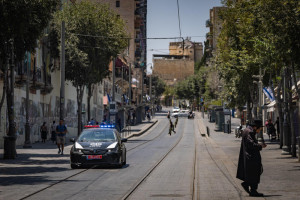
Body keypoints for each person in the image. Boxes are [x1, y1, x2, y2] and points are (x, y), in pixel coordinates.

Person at [237, 119, 267, 197]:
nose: (260, 130)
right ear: (255, 127)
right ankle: (252, 189)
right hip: (251, 157)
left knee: (254, 173)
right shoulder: (249, 132)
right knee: (255, 173)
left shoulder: (248, 131)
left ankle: (249, 186)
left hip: (249, 157)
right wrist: (260, 146)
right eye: (259, 128)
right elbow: (251, 144)